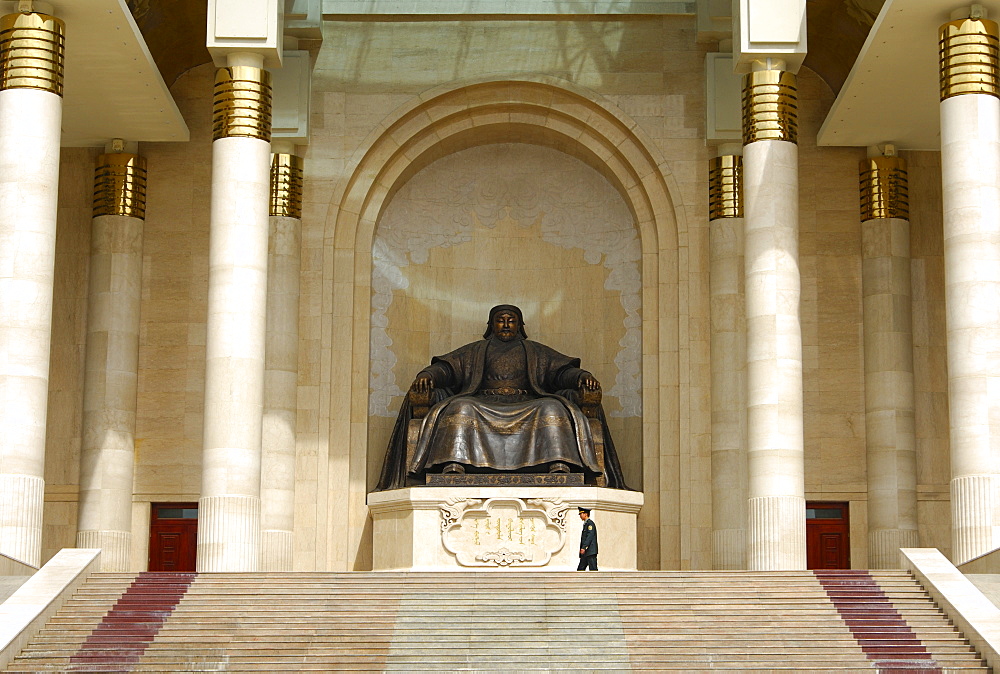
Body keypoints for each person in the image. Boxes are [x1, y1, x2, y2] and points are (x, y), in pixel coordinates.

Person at [376, 304, 628, 490]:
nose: (506, 325)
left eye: (511, 320)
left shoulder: (533, 350)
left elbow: (560, 371)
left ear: (519, 326)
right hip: (482, 401)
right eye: (500, 320)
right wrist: (427, 375)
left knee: (552, 408)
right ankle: (454, 462)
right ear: (491, 325)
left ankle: (558, 463)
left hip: (527, 402)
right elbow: (448, 368)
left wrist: (581, 376)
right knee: (461, 408)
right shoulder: (476, 350)